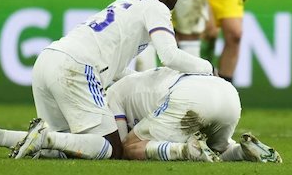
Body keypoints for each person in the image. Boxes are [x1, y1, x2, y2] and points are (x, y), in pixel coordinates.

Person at [0, 0, 213, 159]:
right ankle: (42, 136)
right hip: (75, 66)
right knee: (111, 148)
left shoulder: (125, 3)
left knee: (66, 147)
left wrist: (141, 80)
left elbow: (116, 66)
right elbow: (169, 55)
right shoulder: (156, 8)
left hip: (49, 60)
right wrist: (207, 68)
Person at [107, 66, 282, 163]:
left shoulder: (112, 92)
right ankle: (242, 152)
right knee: (219, 149)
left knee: (131, 147)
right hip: (227, 93)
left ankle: (186, 151)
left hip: (190, 98)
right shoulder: (142, 77)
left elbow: (121, 147)